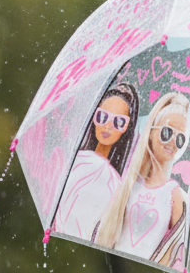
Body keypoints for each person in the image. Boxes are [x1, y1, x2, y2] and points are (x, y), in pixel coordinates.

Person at [96, 91, 189, 266]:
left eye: (180, 138)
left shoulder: (174, 196)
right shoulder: (129, 184)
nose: (172, 142)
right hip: (113, 270)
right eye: (167, 132)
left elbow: (172, 256)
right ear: (152, 132)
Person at [54, 80, 138, 241]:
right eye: (102, 117)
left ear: (126, 129)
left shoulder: (116, 185)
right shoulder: (73, 161)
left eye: (119, 122)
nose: (107, 126)